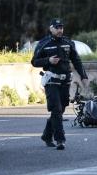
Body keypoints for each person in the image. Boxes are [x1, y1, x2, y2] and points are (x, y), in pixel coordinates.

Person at [31, 18, 89, 150]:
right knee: (56, 109)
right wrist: (48, 60)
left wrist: (83, 76)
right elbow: (34, 62)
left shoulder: (68, 42)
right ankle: (60, 140)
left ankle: (46, 135)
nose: (59, 30)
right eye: (57, 27)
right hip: (51, 81)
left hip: (65, 81)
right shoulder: (43, 43)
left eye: (61, 27)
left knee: (61, 109)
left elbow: (76, 60)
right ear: (51, 29)